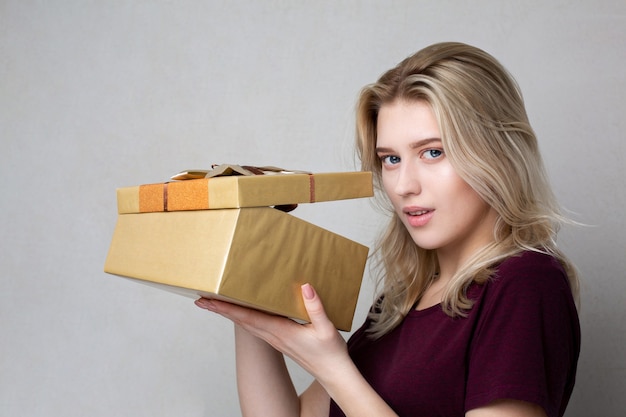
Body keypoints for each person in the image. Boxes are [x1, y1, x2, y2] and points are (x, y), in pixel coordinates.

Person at [195, 41, 581, 417]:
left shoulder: (527, 284)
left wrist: (333, 367)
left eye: (433, 152)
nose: (402, 185)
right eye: (391, 159)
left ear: (498, 153)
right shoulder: (402, 301)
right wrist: (245, 292)